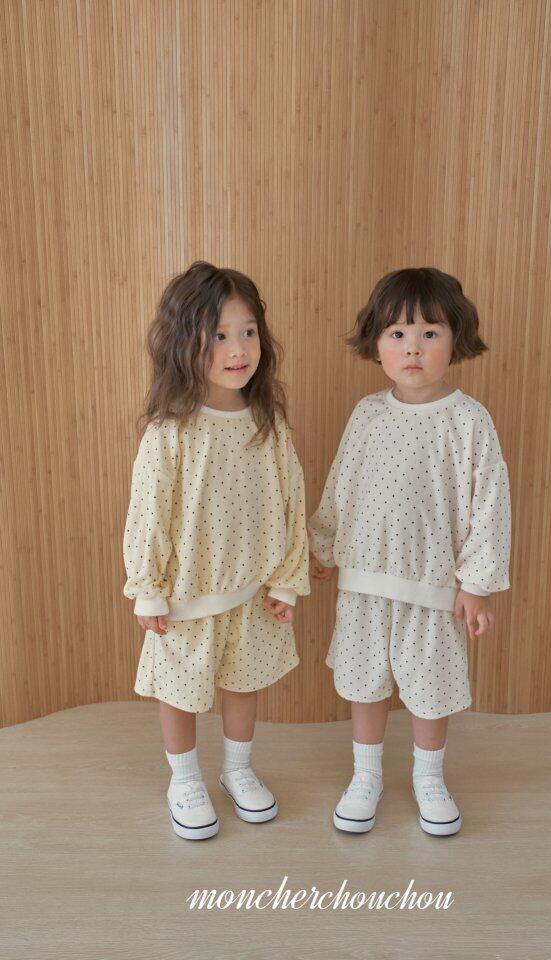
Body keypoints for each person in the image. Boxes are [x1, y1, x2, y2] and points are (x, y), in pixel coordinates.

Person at [308, 267, 511, 836]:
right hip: (364, 582)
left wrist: (477, 584)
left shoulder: (468, 421)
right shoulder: (368, 413)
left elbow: (490, 503)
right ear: (377, 343)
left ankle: (429, 778)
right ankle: (366, 776)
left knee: (430, 690)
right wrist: (320, 546)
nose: (413, 347)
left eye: (429, 332)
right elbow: (341, 484)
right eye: (397, 333)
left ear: (455, 339)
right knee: (364, 682)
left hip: (433, 587)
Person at [123, 261, 309, 840]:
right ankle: (184, 779)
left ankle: (237, 769)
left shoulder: (268, 423)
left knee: (243, 684)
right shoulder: (171, 430)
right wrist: (148, 588)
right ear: (187, 343)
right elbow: (149, 512)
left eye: (248, 332)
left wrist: (287, 580)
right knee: (181, 692)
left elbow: (291, 500)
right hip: (187, 597)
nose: (238, 349)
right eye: (220, 335)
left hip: (251, 592)